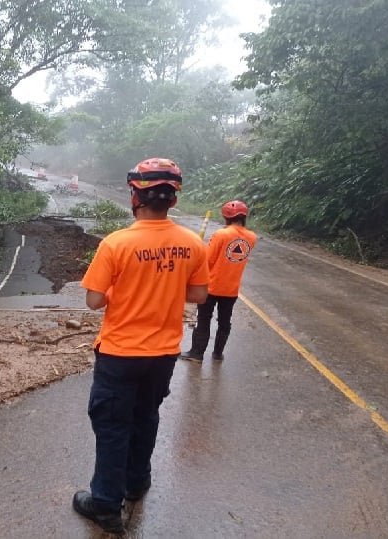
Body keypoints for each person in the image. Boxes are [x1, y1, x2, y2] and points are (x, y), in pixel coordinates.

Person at [72, 157, 209, 534]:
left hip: (120, 352)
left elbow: (94, 300)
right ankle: (136, 482)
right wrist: (164, 284)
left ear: (136, 195)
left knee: (113, 424)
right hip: (164, 352)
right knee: (146, 416)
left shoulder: (117, 244)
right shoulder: (192, 243)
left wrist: (130, 287)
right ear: (173, 200)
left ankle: (104, 504)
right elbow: (198, 294)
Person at [181, 200, 257, 361]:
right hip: (231, 289)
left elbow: (208, 260)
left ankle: (197, 353)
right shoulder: (252, 237)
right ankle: (217, 353)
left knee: (204, 319)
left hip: (211, 286)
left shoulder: (221, 234)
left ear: (226, 216)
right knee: (224, 321)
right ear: (244, 216)